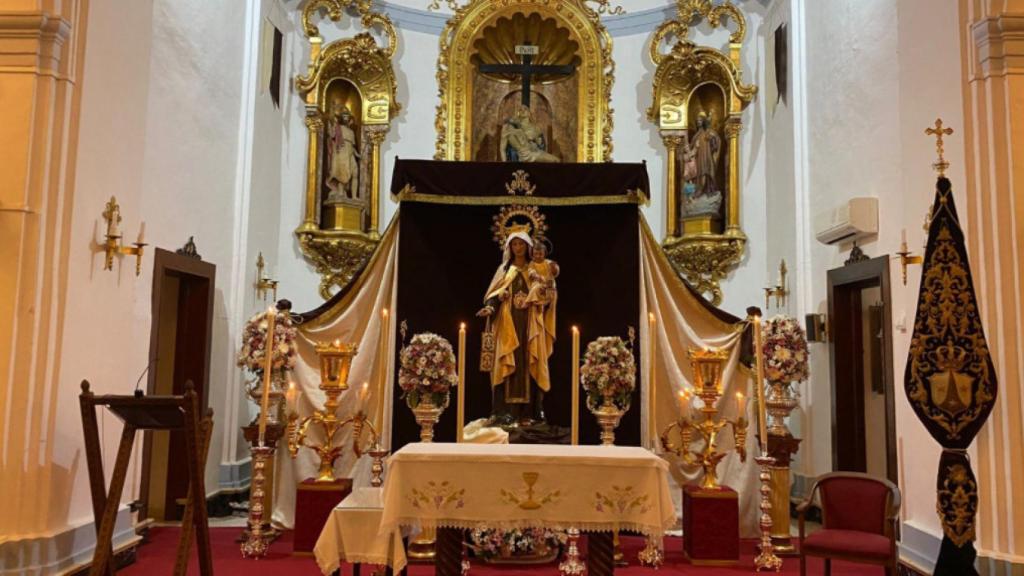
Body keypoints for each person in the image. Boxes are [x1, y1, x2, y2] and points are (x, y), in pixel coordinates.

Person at [476, 227, 555, 426]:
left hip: (530, 325)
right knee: (507, 362)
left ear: (528, 246)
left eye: (521, 244)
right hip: (508, 325)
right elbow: (493, 295)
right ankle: (504, 413)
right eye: (514, 244)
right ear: (509, 247)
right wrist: (491, 306)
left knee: (531, 362)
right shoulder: (504, 270)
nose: (518, 248)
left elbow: (548, 292)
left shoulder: (535, 269)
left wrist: (544, 294)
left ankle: (532, 412)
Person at [325, 99, 359, 202]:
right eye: (344, 116)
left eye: (347, 116)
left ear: (349, 119)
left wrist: (357, 154)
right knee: (342, 174)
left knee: (355, 173)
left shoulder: (351, 132)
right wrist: (332, 111)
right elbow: (331, 134)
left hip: (350, 153)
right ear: (341, 118)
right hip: (341, 153)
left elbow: (352, 146)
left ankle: (353, 196)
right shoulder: (338, 128)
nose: (345, 118)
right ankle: (340, 193)